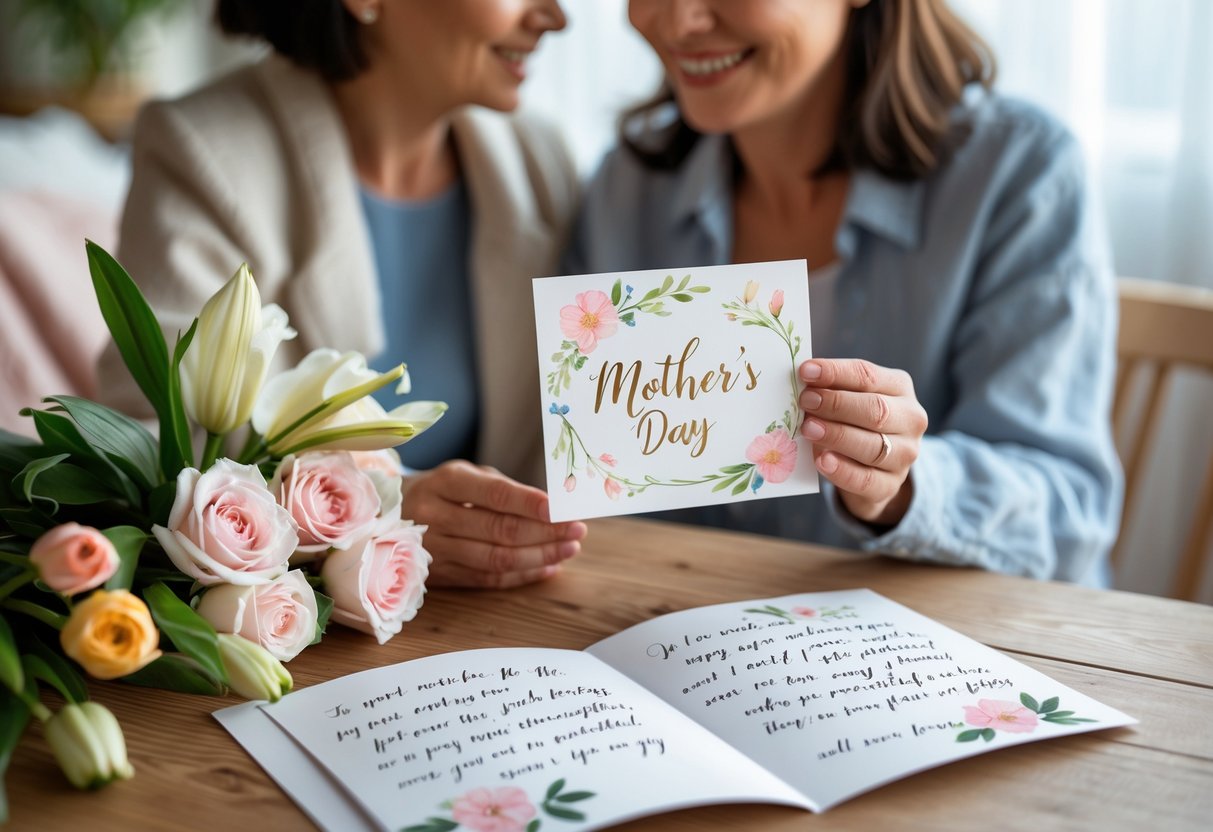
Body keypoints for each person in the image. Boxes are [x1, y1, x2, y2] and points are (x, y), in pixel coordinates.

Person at [565, 0, 1122, 585]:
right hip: (699, 636)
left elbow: (1067, 508)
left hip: (956, 644)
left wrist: (902, 489)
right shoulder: (622, 192)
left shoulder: (1021, 173)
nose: (677, 22)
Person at [97, 0, 587, 588]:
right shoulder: (204, 150)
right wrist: (380, 506)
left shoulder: (541, 160)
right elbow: (154, 440)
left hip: (515, 612)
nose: (555, 16)